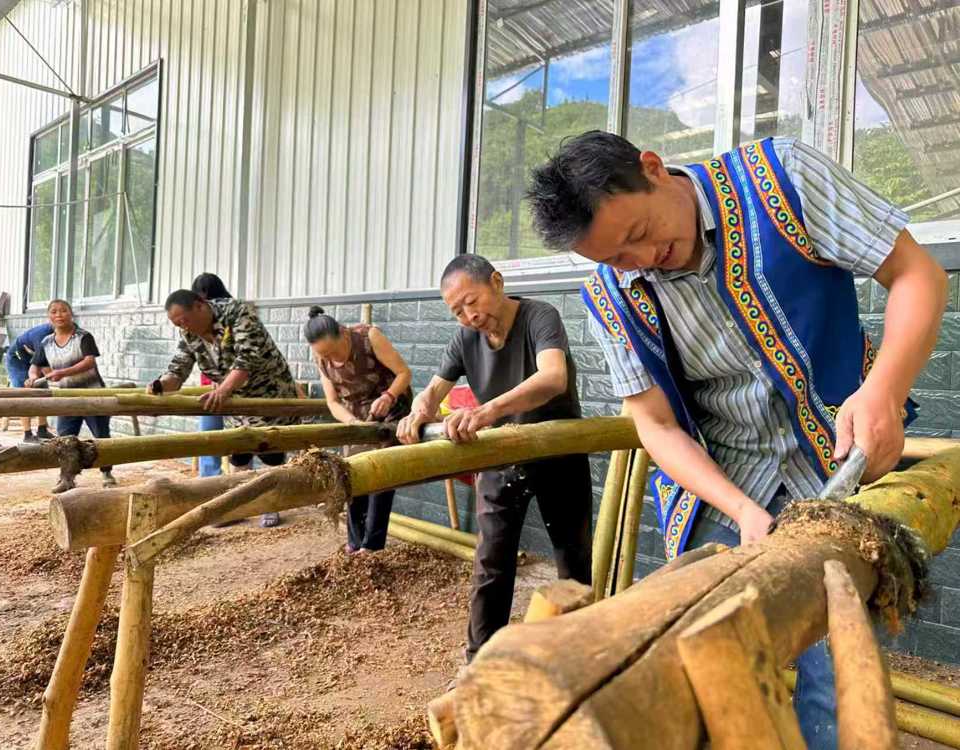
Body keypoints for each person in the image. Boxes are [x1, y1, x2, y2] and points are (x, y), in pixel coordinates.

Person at [526, 131, 948, 750]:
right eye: (615, 258)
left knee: (831, 669)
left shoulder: (782, 178)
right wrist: (742, 509)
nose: (640, 260)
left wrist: (884, 389)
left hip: (835, 467)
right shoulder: (610, 296)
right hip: (721, 487)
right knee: (697, 655)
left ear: (652, 167)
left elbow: (917, 274)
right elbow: (657, 425)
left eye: (639, 232)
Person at [397, 254, 593, 665]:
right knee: (491, 564)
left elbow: (553, 377)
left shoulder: (540, 316)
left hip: (556, 449)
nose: (469, 316)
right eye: (457, 311)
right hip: (501, 458)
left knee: (572, 560)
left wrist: (488, 411)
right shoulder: (464, 339)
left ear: (497, 283)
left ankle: (577, 658)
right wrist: (420, 410)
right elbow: (432, 392)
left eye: (471, 301)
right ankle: (478, 664)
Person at [148, 289, 306, 527]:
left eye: (185, 320)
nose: (183, 326)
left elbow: (247, 361)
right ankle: (238, 506)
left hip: (267, 395)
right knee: (238, 451)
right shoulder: (189, 334)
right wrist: (160, 385)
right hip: (235, 402)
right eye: (177, 324)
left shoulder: (238, 313)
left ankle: (272, 503)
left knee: (271, 451)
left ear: (201, 305)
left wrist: (222, 391)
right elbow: (178, 370)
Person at [306, 305, 413, 553]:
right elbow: (333, 402)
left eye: (333, 352)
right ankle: (355, 542)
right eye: (325, 356)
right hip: (355, 416)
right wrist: (353, 425)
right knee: (352, 476)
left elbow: (404, 373)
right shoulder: (320, 355)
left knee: (381, 474)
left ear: (343, 333)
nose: (331, 359)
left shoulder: (369, 337)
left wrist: (388, 396)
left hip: (391, 409)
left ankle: (372, 546)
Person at [28, 300, 116, 488]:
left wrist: (62, 373)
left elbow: (89, 362)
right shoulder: (46, 342)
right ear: (49, 317)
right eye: (54, 312)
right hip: (67, 398)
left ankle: (107, 473)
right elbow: (36, 364)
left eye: (63, 311)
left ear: (71, 314)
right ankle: (67, 479)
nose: (59, 315)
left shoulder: (83, 337)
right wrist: (32, 377)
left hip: (93, 396)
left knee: (100, 436)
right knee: (65, 440)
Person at [190, 273, 233, 478]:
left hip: (234, 384)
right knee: (209, 433)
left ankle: (236, 477)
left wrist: (224, 382)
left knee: (240, 435)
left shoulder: (231, 315)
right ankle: (209, 478)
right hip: (211, 384)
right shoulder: (197, 320)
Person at [5, 322, 56, 443]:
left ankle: (42, 430)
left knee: (44, 391)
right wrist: (57, 377)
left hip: (33, 357)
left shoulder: (66, 333)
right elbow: (44, 366)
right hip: (18, 359)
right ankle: (27, 434)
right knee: (24, 393)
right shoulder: (41, 335)